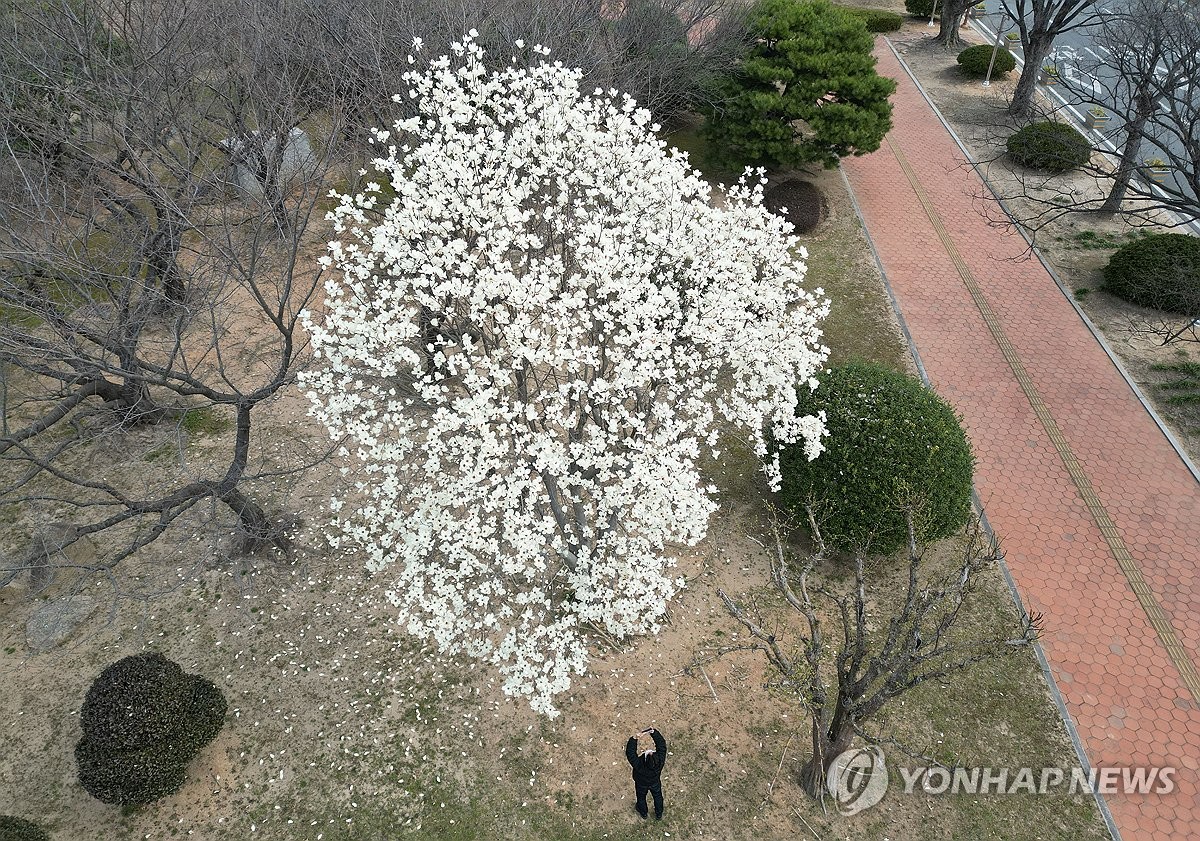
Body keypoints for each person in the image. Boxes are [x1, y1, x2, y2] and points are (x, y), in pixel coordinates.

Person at [625, 727, 667, 820]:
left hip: (641, 783)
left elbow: (630, 753)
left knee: (641, 797)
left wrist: (634, 739)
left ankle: (643, 813)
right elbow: (662, 745)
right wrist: (654, 733)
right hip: (655, 782)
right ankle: (659, 813)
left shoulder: (638, 764)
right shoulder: (660, 761)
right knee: (658, 796)